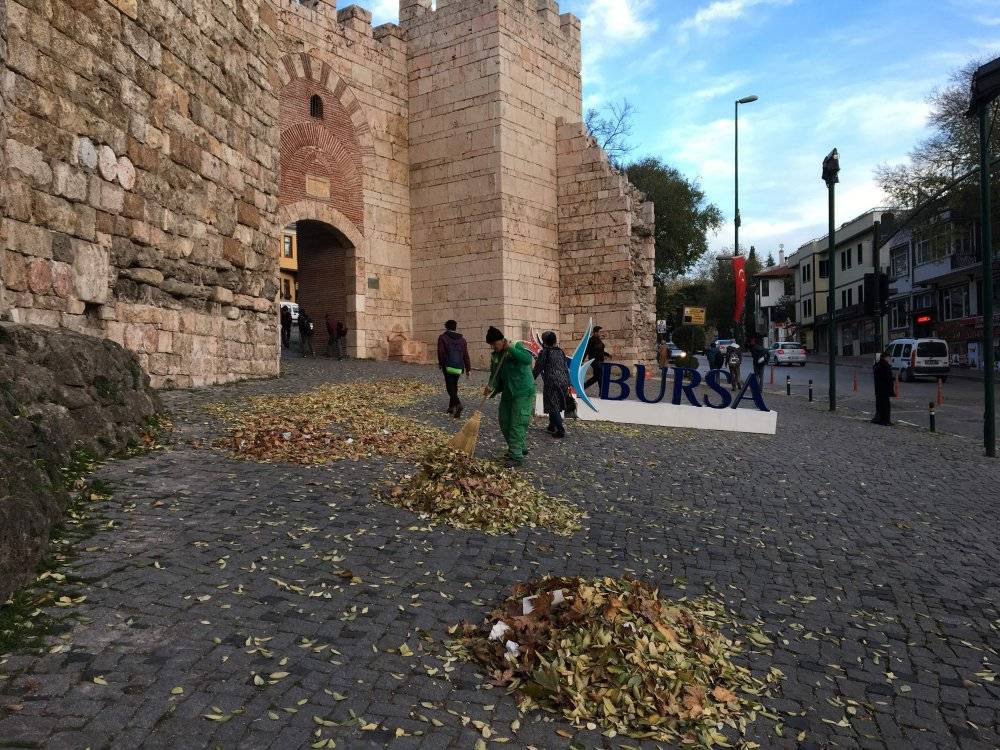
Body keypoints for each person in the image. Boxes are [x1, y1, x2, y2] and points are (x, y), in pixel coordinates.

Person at [484, 326, 535, 466]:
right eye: (491, 345)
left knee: (517, 423)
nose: (493, 347)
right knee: (504, 420)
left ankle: (516, 456)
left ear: (502, 340)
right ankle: (519, 447)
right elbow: (494, 374)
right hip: (508, 392)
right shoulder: (495, 355)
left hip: (523, 391)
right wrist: (490, 386)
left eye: (495, 344)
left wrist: (510, 349)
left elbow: (527, 359)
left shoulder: (517, 345)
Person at [533, 331, 569, 439]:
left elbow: (538, 367)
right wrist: (568, 382)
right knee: (555, 402)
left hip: (552, 381)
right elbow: (565, 367)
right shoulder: (560, 351)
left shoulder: (545, 352)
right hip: (563, 380)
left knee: (553, 404)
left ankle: (560, 429)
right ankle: (551, 425)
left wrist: (530, 379)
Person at [437, 320, 471, 418]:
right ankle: (451, 407)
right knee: (454, 385)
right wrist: (468, 368)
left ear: (446, 327)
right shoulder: (462, 340)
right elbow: (465, 355)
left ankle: (458, 404)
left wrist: (441, 363)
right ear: (455, 327)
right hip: (459, 366)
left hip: (447, 366)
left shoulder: (443, 338)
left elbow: (441, 352)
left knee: (449, 386)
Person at [873, 351, 895, 426]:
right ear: (886, 357)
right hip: (885, 389)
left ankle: (880, 419)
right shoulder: (885, 366)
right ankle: (886, 420)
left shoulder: (877, 365)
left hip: (878, 389)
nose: (890, 359)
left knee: (880, 405)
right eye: (889, 357)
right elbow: (888, 378)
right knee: (886, 406)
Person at [583, 325, 607, 392]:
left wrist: (607, 354)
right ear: (595, 332)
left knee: (596, 377)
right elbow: (586, 350)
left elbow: (600, 350)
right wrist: (582, 361)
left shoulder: (598, 340)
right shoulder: (591, 340)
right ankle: (602, 392)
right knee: (600, 375)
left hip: (600, 360)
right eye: (600, 332)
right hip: (594, 361)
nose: (601, 333)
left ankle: (583, 387)